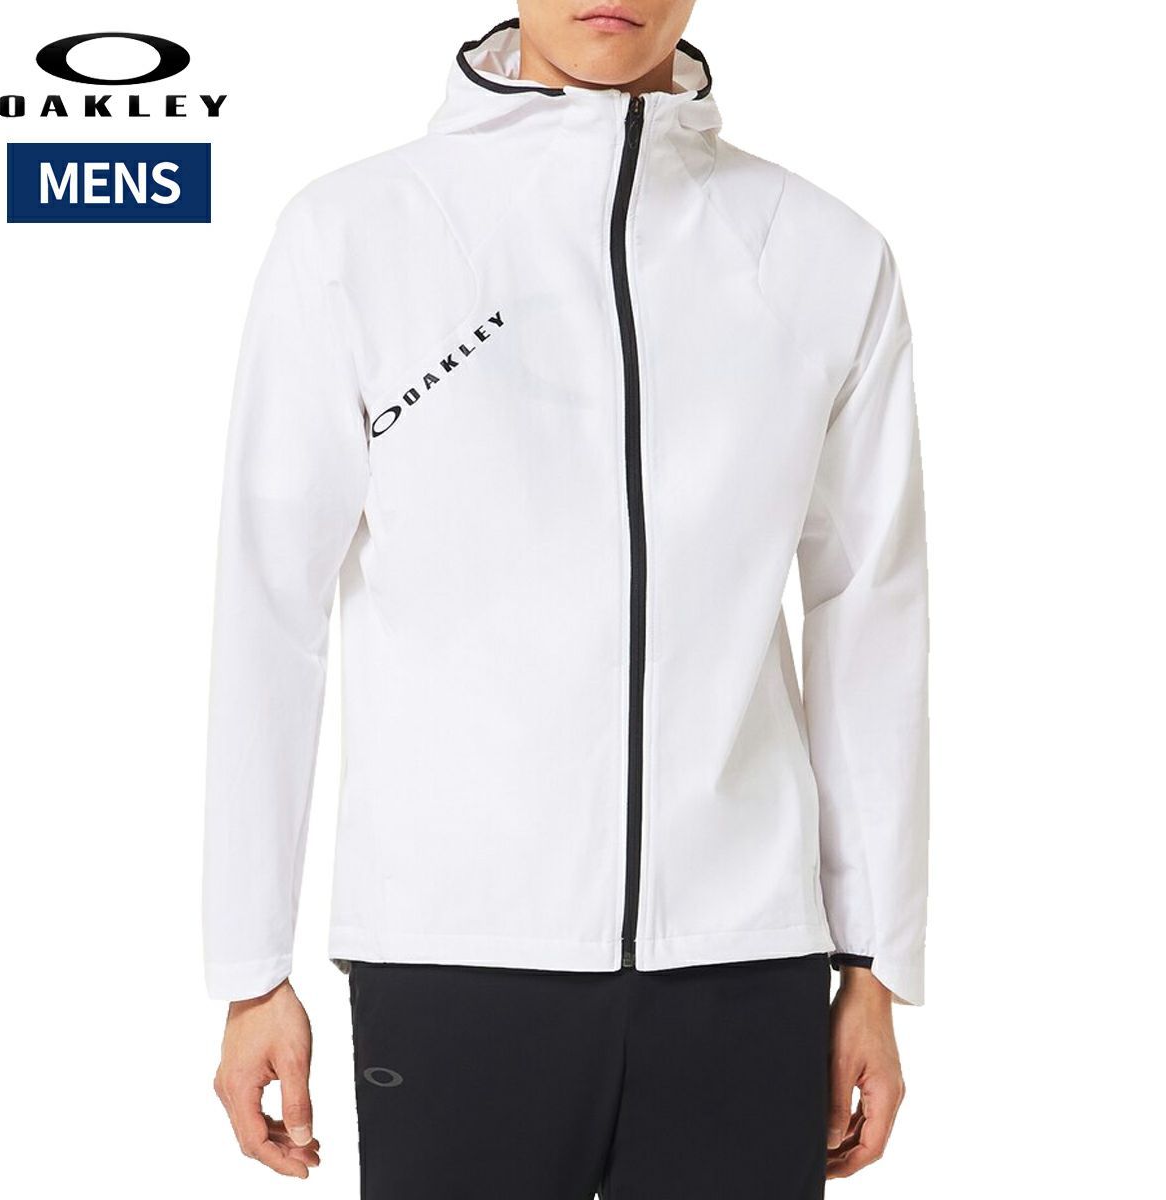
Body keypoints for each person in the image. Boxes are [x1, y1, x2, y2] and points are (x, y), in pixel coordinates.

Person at [204, 3, 930, 1197]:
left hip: (746, 961)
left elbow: (870, 611)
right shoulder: (357, 233)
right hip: (453, 951)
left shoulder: (824, 255)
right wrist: (249, 970)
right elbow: (267, 614)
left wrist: (874, 962)